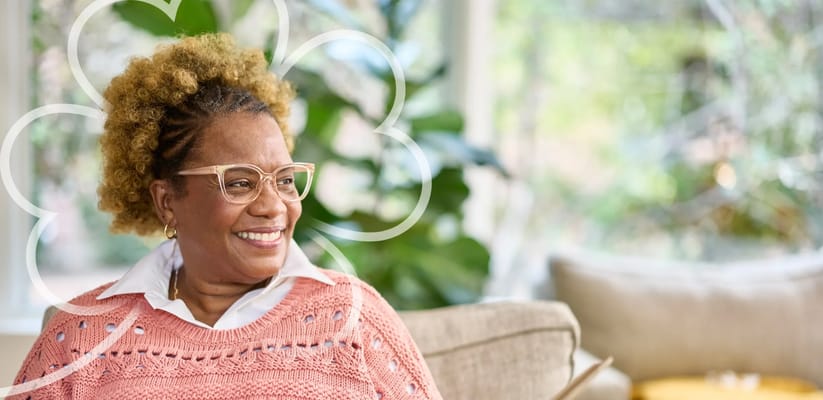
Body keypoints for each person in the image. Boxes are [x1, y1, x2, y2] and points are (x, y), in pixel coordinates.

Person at [9, 33, 442, 400]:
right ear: (167, 201)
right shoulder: (80, 338)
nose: (274, 205)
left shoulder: (354, 318)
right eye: (239, 183)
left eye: (286, 180)